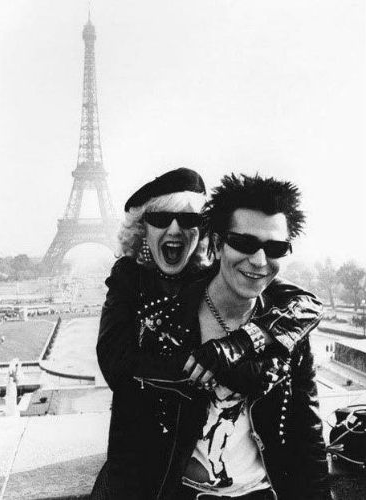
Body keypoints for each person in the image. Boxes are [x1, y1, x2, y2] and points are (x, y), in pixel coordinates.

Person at [91, 169, 325, 499]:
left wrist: (244, 342)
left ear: (201, 235)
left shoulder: (279, 315)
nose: (258, 260)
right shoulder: (160, 313)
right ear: (217, 243)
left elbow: (305, 304)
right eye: (243, 243)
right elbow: (119, 365)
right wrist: (238, 369)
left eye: (275, 248)